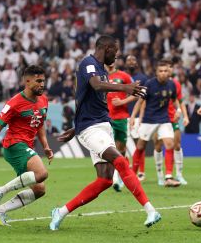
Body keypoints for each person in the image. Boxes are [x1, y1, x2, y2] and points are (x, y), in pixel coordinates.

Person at [49, 35, 160, 231]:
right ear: (106, 48)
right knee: (121, 162)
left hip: (101, 126)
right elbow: (96, 85)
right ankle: (150, 210)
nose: (115, 58)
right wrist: (125, 88)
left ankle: (61, 212)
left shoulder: (101, 70)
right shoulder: (88, 63)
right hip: (91, 129)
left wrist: (76, 128)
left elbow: (92, 103)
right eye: (115, 54)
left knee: (105, 180)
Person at [0, 65, 54, 226]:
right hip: (14, 146)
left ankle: (1, 210)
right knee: (42, 173)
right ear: (27, 81)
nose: (42, 84)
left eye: (43, 81)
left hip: (26, 146)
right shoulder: (14, 103)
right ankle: (0, 191)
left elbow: (39, 123)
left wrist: (46, 146)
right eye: (38, 81)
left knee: (40, 189)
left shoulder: (44, 100)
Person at [130, 59, 189, 187]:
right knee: (140, 147)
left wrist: (178, 110)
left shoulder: (172, 85)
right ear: (156, 73)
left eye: (165, 71)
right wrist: (133, 117)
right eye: (160, 71)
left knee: (169, 144)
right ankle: (132, 176)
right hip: (149, 120)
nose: (163, 73)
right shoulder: (149, 84)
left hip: (164, 120)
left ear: (169, 72)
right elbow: (140, 102)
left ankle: (168, 176)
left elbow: (175, 100)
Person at [152, 63, 189, 185]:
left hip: (172, 118)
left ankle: (178, 175)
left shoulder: (175, 84)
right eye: (164, 69)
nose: (167, 70)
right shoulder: (153, 84)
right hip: (158, 118)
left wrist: (184, 115)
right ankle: (160, 175)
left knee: (176, 145)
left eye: (169, 68)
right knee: (158, 145)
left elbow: (180, 101)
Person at [106, 61, 138, 191]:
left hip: (121, 118)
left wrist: (122, 101)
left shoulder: (124, 76)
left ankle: (121, 176)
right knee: (111, 148)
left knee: (122, 149)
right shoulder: (99, 77)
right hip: (106, 118)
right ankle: (115, 179)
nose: (111, 61)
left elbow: (136, 92)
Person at [125, 55, 149, 180]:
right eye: (129, 60)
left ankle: (141, 172)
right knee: (124, 143)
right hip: (123, 114)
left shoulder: (143, 78)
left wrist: (142, 116)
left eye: (133, 60)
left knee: (138, 143)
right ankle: (128, 168)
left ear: (137, 63)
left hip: (137, 115)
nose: (131, 62)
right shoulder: (122, 77)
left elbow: (143, 99)